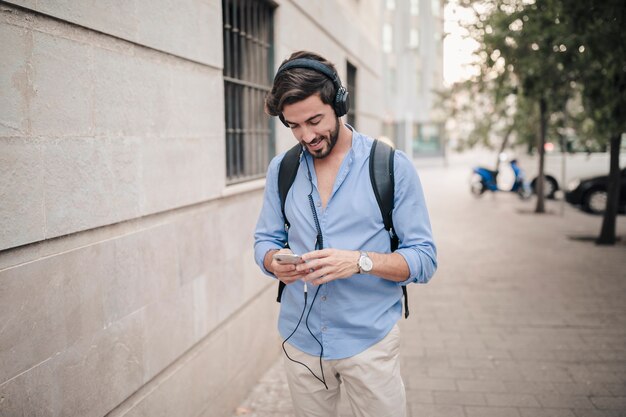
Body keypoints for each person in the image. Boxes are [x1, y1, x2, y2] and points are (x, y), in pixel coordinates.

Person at [253, 50, 437, 417]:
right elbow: (264, 241)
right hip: (300, 340)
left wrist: (359, 262)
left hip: (369, 343)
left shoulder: (390, 166)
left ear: (339, 103)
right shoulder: (282, 168)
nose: (306, 136)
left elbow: (425, 259)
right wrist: (274, 262)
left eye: (314, 120)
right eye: (294, 126)